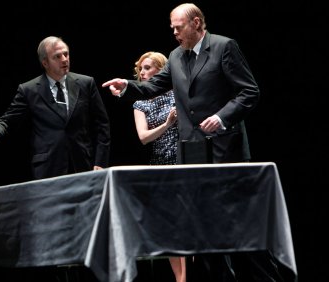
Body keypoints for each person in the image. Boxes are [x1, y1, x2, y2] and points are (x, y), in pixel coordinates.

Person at [103, 3, 283, 282]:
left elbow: (249, 91)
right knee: (203, 229)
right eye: (172, 27)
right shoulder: (176, 56)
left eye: (178, 26)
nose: (174, 32)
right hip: (192, 153)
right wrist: (127, 86)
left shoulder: (224, 47)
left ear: (196, 23)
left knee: (239, 226)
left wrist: (223, 117)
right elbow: (152, 86)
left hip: (226, 152)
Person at [0, 36, 111, 180]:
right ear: (45, 63)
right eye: (57, 56)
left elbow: (102, 124)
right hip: (48, 167)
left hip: (82, 164)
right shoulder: (29, 90)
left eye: (66, 54)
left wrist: (100, 161)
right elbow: (8, 120)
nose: (64, 59)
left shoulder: (86, 83)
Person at [132, 51, 185, 282]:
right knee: (170, 224)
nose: (142, 73)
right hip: (160, 164)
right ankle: (179, 278)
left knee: (187, 221)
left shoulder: (176, 94)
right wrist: (167, 123)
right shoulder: (140, 103)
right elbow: (143, 137)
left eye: (148, 68)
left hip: (183, 161)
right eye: (141, 69)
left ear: (161, 70)